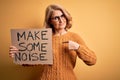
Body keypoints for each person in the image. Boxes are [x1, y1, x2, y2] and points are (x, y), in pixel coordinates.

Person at [9, 4, 97, 80]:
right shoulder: (44, 38)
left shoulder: (74, 37)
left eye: (63, 16)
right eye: (56, 18)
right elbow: (32, 62)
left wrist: (78, 47)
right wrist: (18, 55)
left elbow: (92, 60)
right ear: (50, 21)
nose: (61, 20)